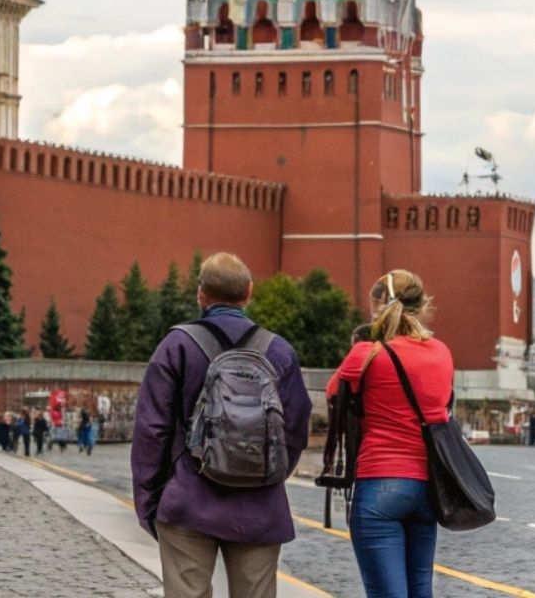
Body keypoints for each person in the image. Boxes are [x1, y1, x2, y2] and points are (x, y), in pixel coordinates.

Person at [132, 252, 312, 598]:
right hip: (260, 507)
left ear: (201, 294)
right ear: (249, 292)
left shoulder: (177, 345)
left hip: (188, 498)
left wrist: (149, 500)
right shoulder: (279, 351)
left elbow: (151, 430)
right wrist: (266, 472)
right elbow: (295, 428)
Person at [328, 270, 454, 598]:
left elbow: (333, 394)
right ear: (422, 305)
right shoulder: (441, 352)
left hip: (379, 483)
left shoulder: (367, 353)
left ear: (379, 306)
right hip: (427, 488)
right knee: (420, 589)